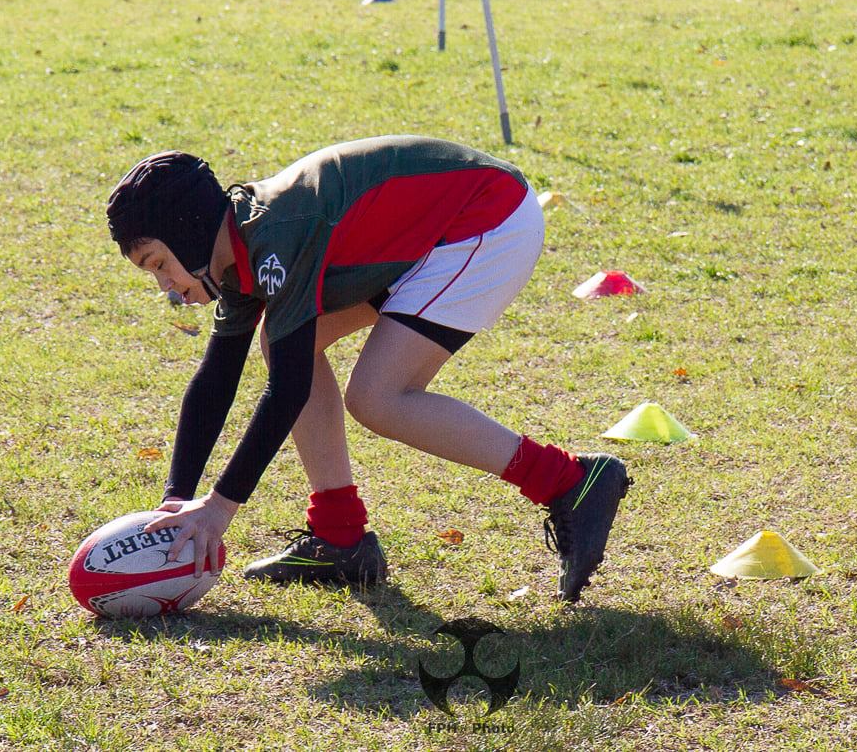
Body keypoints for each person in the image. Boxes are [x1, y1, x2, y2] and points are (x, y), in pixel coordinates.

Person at [105, 135, 630, 602]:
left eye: (158, 263)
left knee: (378, 397)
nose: (165, 286)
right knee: (284, 343)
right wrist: (176, 498)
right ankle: (340, 538)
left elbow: (286, 393)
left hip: (487, 217)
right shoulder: (237, 248)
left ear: (189, 231)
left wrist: (218, 510)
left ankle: (571, 481)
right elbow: (216, 380)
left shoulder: (275, 240)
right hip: (422, 236)